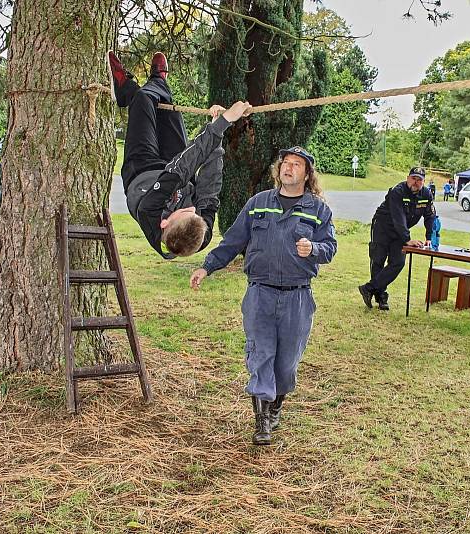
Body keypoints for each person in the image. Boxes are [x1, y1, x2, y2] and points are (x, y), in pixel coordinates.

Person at [189, 146, 337, 446]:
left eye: (297, 164)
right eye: (285, 163)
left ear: (307, 174)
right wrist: (207, 267)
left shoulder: (318, 209)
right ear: (278, 170)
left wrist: (314, 249)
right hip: (260, 294)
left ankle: (276, 406)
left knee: (285, 363)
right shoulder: (258, 203)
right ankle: (262, 420)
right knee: (261, 355)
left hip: (298, 297)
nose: (289, 168)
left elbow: (330, 248)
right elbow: (233, 240)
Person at [108, 50, 252, 258]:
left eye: (185, 210)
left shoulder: (150, 211)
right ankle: (159, 83)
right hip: (174, 171)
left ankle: (128, 90)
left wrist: (225, 121)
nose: (191, 207)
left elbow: (183, 168)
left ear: (164, 222)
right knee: (169, 111)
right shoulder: (201, 231)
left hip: (142, 170)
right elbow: (210, 182)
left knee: (142, 100)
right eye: (195, 212)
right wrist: (216, 130)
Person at [358, 166, 437, 311]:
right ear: (408, 178)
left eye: (419, 180)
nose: (415, 182)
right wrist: (408, 239)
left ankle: (369, 288)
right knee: (378, 259)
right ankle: (381, 297)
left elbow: (430, 216)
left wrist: (429, 237)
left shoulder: (426, 194)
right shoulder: (398, 191)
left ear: (423, 182)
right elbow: (398, 217)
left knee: (398, 262)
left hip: (400, 231)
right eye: (413, 178)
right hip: (383, 226)